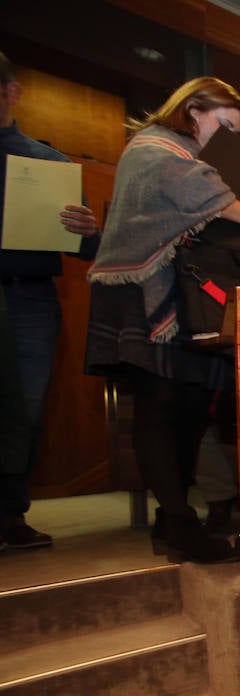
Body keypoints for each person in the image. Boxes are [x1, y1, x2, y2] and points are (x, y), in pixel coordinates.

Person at [84, 76, 240, 564]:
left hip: (183, 298)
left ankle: (172, 521)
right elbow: (193, 190)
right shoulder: (154, 148)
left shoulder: (189, 157)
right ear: (193, 109)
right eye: (224, 124)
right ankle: (179, 520)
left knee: (189, 409)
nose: (227, 139)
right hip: (146, 297)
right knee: (160, 408)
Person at [0, 52, 101, 549]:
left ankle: (9, 515)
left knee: (24, 409)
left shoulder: (46, 161)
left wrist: (88, 232)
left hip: (27, 298)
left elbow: (86, 248)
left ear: (10, 92)